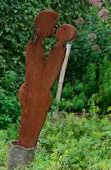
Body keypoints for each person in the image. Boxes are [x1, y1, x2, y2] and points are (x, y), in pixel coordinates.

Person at [17, 11, 77, 149]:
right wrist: (28, 90)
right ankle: (22, 158)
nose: (54, 29)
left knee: (30, 132)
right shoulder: (36, 47)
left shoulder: (54, 50)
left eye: (56, 27)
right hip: (34, 95)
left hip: (36, 96)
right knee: (27, 131)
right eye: (52, 26)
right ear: (41, 27)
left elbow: (45, 77)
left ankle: (23, 159)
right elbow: (35, 75)